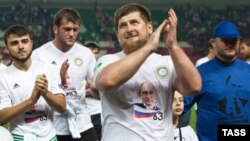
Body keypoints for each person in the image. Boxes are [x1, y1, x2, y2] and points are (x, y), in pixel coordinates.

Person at [94, 3, 201, 141]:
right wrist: (149, 47)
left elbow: (194, 86)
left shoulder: (166, 62)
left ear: (149, 27)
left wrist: (173, 46)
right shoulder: (107, 60)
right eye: (123, 25)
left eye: (134, 22)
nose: (129, 29)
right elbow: (107, 81)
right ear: (117, 34)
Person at [32, 8, 98, 141]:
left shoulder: (86, 54)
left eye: (75, 29)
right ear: (55, 29)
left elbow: (94, 85)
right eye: (67, 29)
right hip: (53, 125)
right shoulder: (39, 54)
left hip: (82, 122)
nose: (72, 34)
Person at [184, 21, 250, 141]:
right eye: (226, 40)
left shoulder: (248, 70)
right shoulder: (199, 73)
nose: (230, 44)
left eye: (234, 40)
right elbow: (179, 107)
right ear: (213, 43)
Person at [0, 25, 66, 140]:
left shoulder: (49, 68)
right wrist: (31, 101)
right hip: (20, 136)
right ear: (7, 48)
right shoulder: (2, 77)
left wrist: (45, 92)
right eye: (14, 43)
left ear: (31, 43)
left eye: (24, 41)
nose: (20, 46)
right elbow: (1, 118)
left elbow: (62, 107)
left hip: (49, 137)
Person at [85, 42, 102, 141]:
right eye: (91, 53)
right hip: (82, 113)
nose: (93, 56)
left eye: (96, 53)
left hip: (97, 111)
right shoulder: (77, 70)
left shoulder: (102, 69)